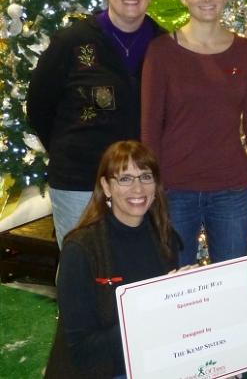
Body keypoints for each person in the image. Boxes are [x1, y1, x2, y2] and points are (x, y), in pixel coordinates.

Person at [27, 0, 164, 249]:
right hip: (80, 181)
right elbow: (39, 105)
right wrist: (73, 149)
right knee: (81, 266)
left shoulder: (163, 44)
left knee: (134, 265)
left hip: (138, 185)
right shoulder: (72, 41)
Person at [141, 0, 247, 266]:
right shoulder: (161, 52)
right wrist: (150, 186)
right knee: (173, 281)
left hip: (231, 190)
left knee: (231, 281)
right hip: (174, 189)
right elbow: (149, 127)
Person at [45, 140, 179, 379]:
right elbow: (82, 350)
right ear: (106, 187)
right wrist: (147, 319)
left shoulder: (164, 237)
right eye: (125, 179)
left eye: (145, 177)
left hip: (153, 361)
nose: (138, 189)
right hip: (102, 370)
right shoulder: (81, 249)